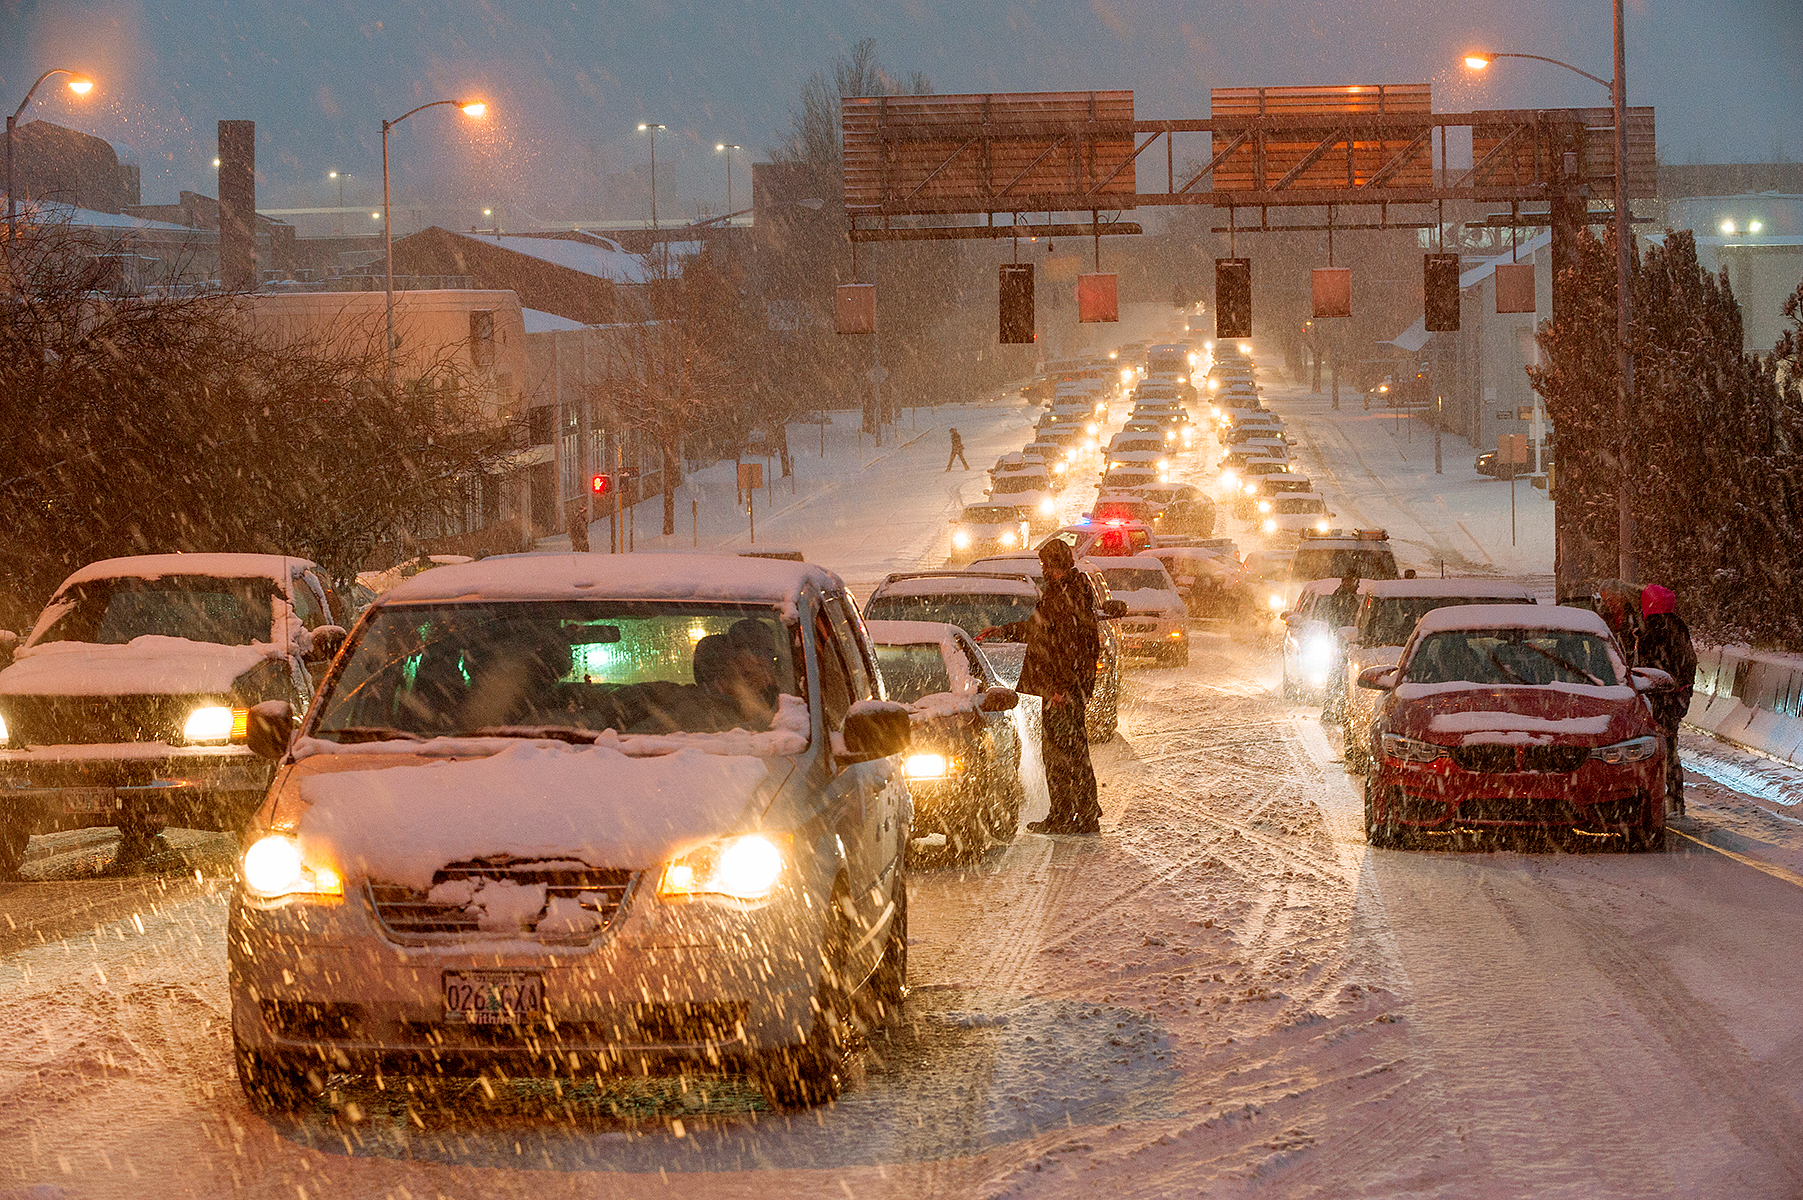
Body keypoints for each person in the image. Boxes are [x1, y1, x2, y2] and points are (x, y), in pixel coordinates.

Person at [981, 540, 1101, 834]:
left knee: (1061, 755)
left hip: (1061, 692)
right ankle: (1081, 813)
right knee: (1071, 753)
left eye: (1045, 564)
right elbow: (1042, 629)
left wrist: (1060, 689)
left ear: (1055, 565)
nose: (1043, 570)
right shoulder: (1068, 593)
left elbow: (1069, 647)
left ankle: (1066, 816)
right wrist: (1004, 630)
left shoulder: (1067, 595)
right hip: (1065, 690)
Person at [1638, 584, 1697, 816]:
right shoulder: (1678, 627)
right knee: (1671, 749)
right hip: (1676, 699)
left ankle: (1652, 799)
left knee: (1651, 750)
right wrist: (1683, 691)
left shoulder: (1650, 631)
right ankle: (1675, 798)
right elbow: (1688, 663)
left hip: (1657, 700)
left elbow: (1644, 668)